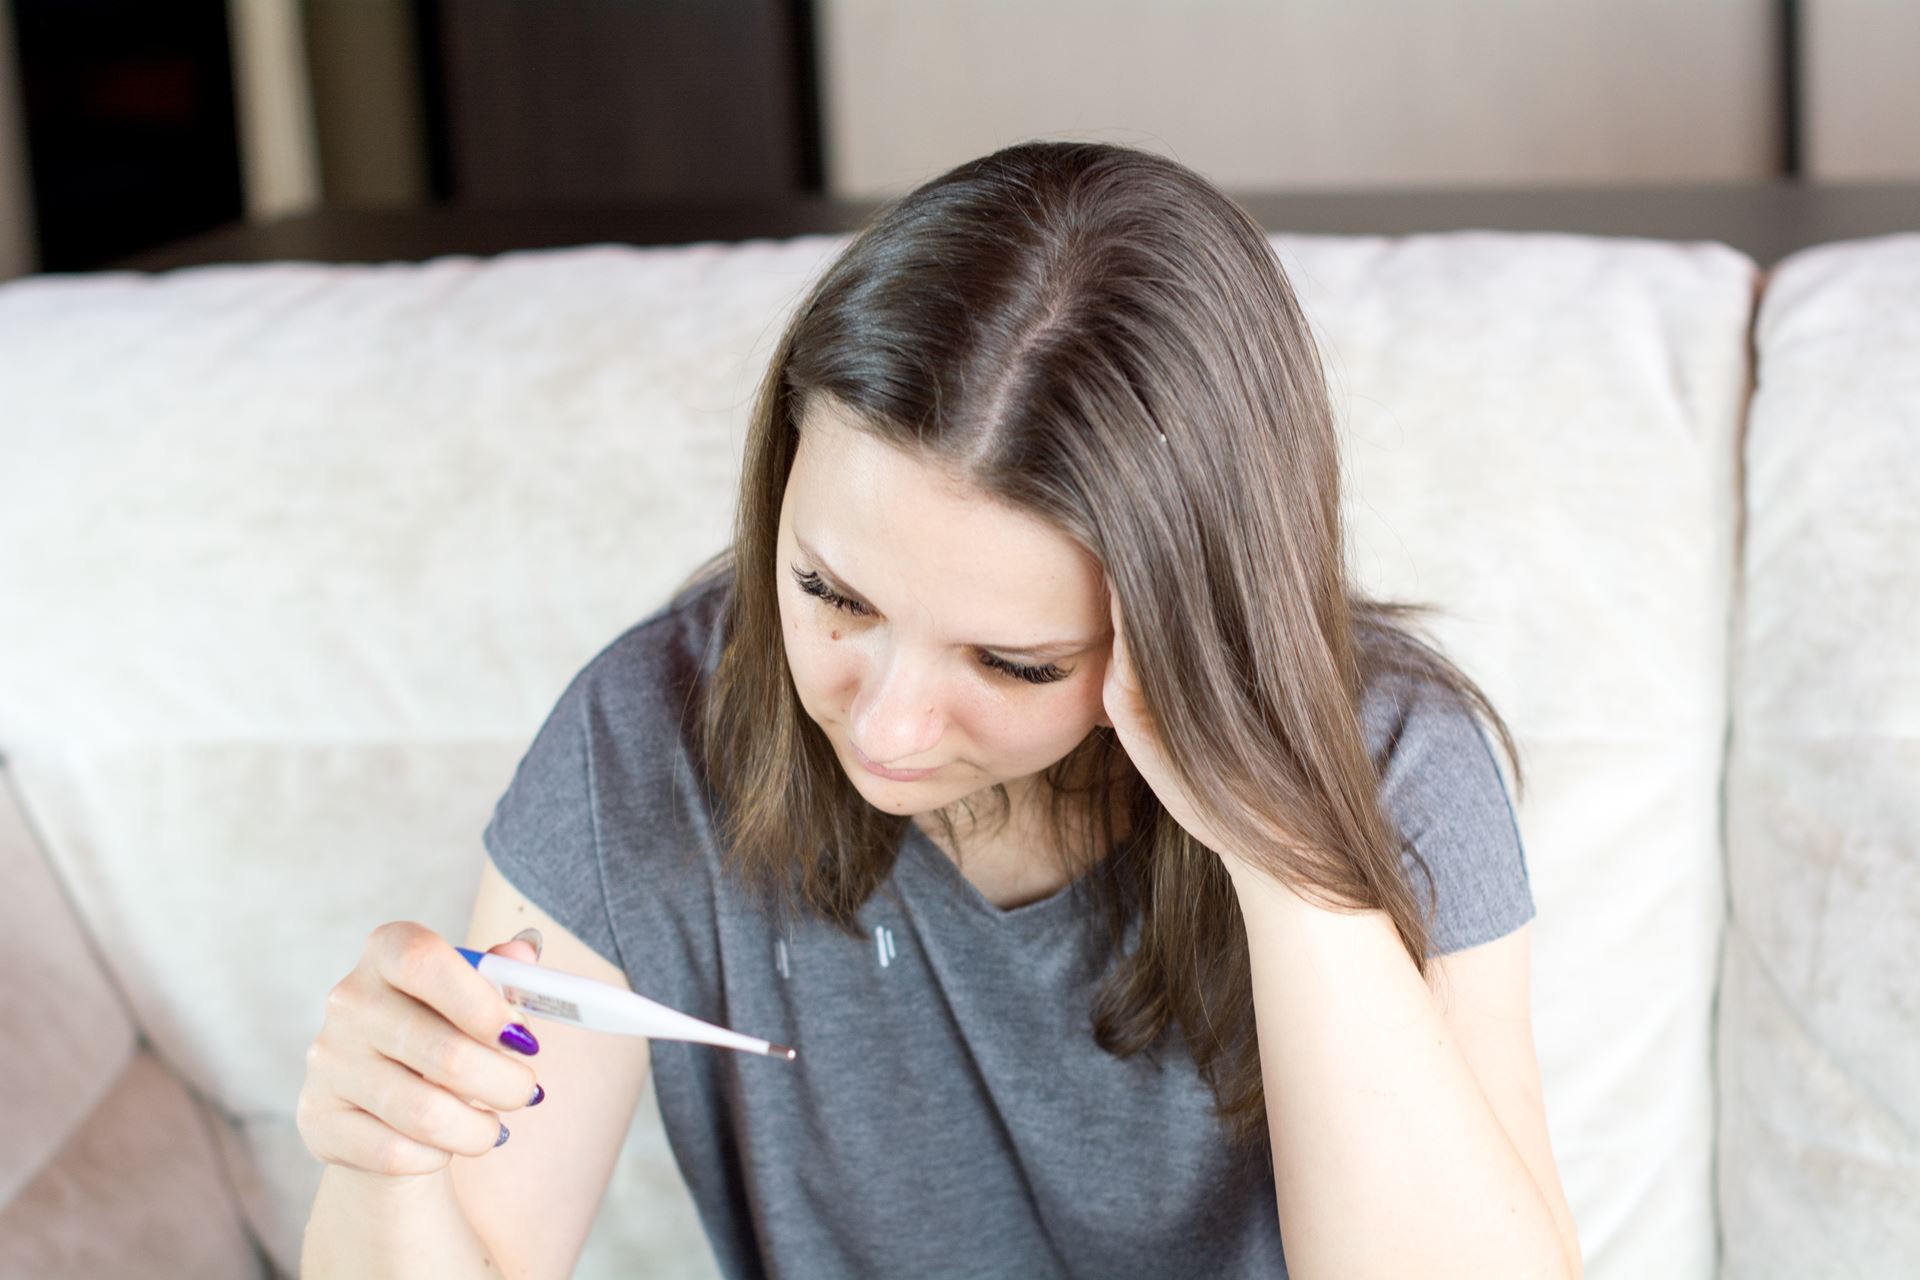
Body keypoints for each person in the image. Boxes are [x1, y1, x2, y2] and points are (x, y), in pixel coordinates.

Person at [299, 139, 1583, 1278]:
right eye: (830, 592)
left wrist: (1275, 843)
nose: (885, 729)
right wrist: (385, 1150)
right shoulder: (650, 737)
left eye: (1013, 663)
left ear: (1190, 623)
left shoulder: (1395, 757)